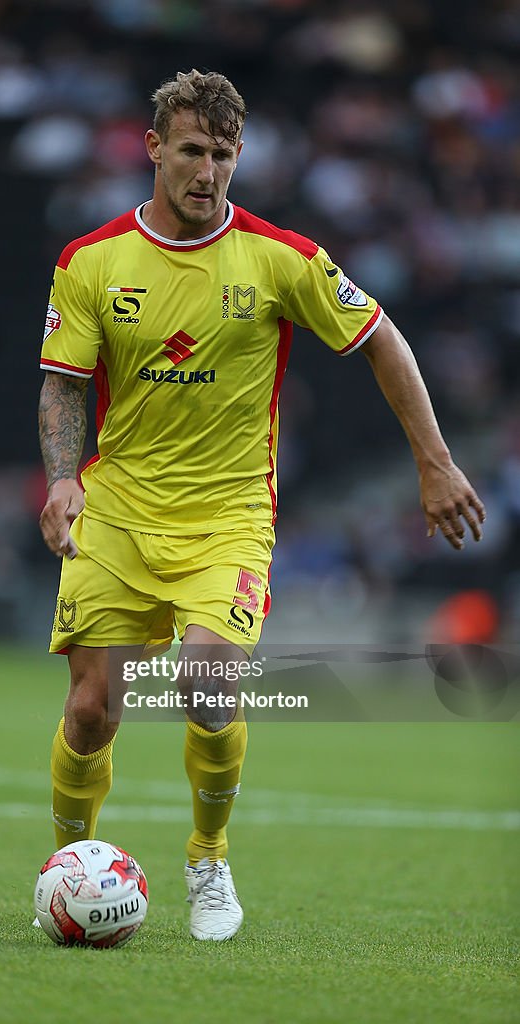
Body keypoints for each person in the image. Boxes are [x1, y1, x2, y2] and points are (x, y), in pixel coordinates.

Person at [37, 69, 485, 941]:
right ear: (154, 148)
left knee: (207, 682)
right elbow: (62, 387)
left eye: (225, 154)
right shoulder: (91, 262)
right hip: (117, 510)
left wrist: (433, 463)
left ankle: (208, 856)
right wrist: (62, 477)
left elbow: (382, 337)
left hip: (227, 516)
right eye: (193, 151)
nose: (208, 171)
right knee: (91, 711)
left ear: (240, 157)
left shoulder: (279, 258)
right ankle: (68, 869)